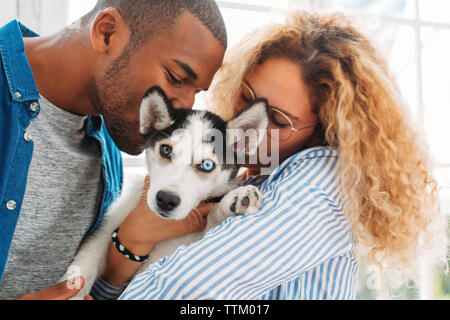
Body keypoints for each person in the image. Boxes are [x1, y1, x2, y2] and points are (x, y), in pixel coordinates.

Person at [114, 11, 448, 300]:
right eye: (245, 97)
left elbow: (188, 288)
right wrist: (130, 241)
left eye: (277, 119)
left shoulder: (321, 179)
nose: (251, 125)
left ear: (323, 131)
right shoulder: (239, 178)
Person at [0, 0, 227, 300]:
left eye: (196, 92)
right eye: (175, 78)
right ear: (107, 33)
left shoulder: (111, 136)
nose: (185, 106)